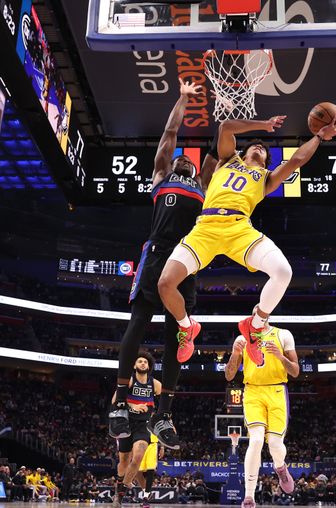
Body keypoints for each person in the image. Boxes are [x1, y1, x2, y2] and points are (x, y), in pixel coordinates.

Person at [158, 113, 336, 366]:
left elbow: (297, 159)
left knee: (283, 271)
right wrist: (264, 125)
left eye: (264, 149)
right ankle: (186, 327)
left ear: (267, 160)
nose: (259, 147)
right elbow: (225, 127)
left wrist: (319, 137)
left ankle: (255, 325)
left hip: (239, 229)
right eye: (255, 145)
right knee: (165, 283)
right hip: (205, 228)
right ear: (243, 152)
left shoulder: (266, 178)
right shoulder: (227, 159)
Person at [109, 78, 217, 449]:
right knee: (138, 324)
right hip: (156, 256)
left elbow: (219, 149)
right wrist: (183, 99)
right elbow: (171, 131)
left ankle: (164, 413)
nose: (186, 158)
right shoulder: (161, 176)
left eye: (192, 159)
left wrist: (224, 114)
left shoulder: (203, 186)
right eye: (180, 158)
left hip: (187, 261)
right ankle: (121, 404)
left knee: (176, 339)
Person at [224, 317, 300, 508]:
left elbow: (295, 371)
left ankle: (281, 468)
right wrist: (235, 354)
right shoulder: (242, 338)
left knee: (275, 444)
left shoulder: (283, 334)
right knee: (256, 440)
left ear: (266, 317)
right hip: (252, 392)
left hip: (276, 391)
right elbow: (229, 376)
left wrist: (280, 357)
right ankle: (248, 498)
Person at [112, 354, 162, 508]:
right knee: (123, 463)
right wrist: (132, 406)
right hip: (126, 424)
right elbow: (115, 401)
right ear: (134, 366)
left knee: (139, 456)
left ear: (149, 366)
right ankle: (120, 483)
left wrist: (167, 421)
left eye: (145, 361)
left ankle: (121, 494)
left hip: (143, 426)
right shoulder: (129, 381)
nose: (142, 363)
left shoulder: (155, 384)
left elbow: (165, 406)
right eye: (139, 360)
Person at [134, 434, 163, 508]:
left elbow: (163, 430)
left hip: (152, 445)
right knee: (137, 471)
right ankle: (147, 493)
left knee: (150, 471)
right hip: (140, 443)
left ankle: (145, 498)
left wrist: (162, 447)